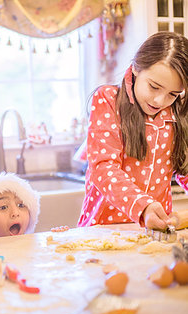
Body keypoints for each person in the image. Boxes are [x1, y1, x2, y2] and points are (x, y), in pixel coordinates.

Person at [78, 31, 188, 231]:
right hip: (102, 230)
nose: (160, 101)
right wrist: (142, 206)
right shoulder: (108, 100)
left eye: (172, 94)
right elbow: (103, 167)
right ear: (136, 68)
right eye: (154, 87)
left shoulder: (177, 112)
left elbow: (186, 167)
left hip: (155, 231)